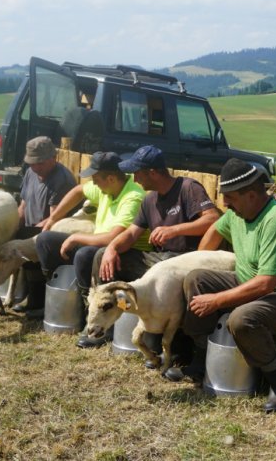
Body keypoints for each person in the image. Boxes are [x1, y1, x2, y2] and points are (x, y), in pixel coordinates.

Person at [179, 158, 276, 413]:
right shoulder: (238, 212)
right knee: (196, 279)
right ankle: (203, 356)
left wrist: (217, 301)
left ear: (253, 195)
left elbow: (266, 283)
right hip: (250, 282)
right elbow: (215, 229)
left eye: (230, 198)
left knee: (241, 319)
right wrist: (200, 259)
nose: (225, 204)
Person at [78, 145, 221, 349]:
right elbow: (131, 234)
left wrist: (174, 230)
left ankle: (158, 336)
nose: (135, 180)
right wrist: (112, 248)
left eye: (137, 174)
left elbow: (213, 219)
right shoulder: (149, 200)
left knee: (162, 265)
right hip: (158, 262)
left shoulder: (188, 188)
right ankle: (104, 326)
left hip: (183, 263)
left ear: (152, 173)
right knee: (102, 255)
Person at [32, 151, 146, 316]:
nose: (93, 184)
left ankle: (88, 310)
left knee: (85, 254)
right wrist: (52, 219)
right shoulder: (108, 185)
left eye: (95, 180)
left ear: (111, 179)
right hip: (102, 244)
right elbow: (78, 191)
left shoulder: (133, 198)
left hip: (124, 251)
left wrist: (75, 237)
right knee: (45, 240)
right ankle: (59, 302)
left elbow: (115, 238)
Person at [4, 136, 76, 314]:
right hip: (32, 227)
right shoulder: (31, 173)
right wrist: (15, 228)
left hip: (53, 233)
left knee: (31, 243)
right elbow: (24, 204)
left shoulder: (62, 179)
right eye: (32, 163)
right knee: (15, 236)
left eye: (40, 164)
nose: (35, 168)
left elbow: (56, 218)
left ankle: (37, 301)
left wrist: (27, 235)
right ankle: (21, 292)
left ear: (53, 158)